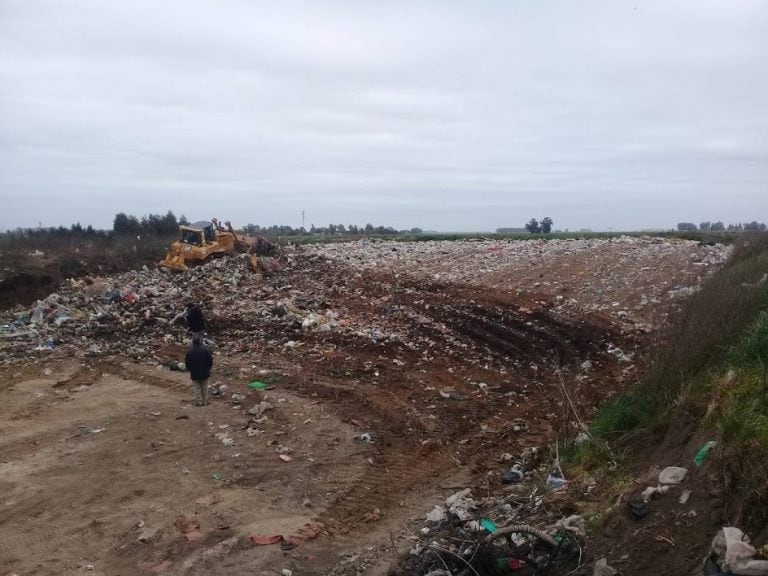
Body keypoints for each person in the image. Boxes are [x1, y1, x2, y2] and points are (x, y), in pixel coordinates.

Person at [185, 334, 213, 406]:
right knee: (204, 387)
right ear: (200, 342)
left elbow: (187, 363)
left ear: (193, 343)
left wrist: (190, 369)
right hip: (205, 371)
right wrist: (208, 368)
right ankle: (205, 401)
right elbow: (210, 361)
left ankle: (199, 402)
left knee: (197, 387)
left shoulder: (190, 352)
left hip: (194, 372)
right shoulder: (206, 351)